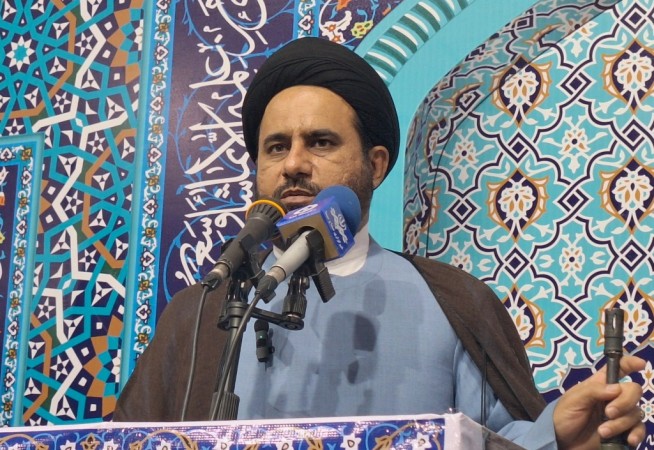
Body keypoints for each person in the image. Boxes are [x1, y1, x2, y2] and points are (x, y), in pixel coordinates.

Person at [114, 38, 646, 449]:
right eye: (275, 147)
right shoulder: (202, 313)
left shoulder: (453, 302)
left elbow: (497, 442)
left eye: (320, 142)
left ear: (375, 164)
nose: (293, 163)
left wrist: (558, 438)